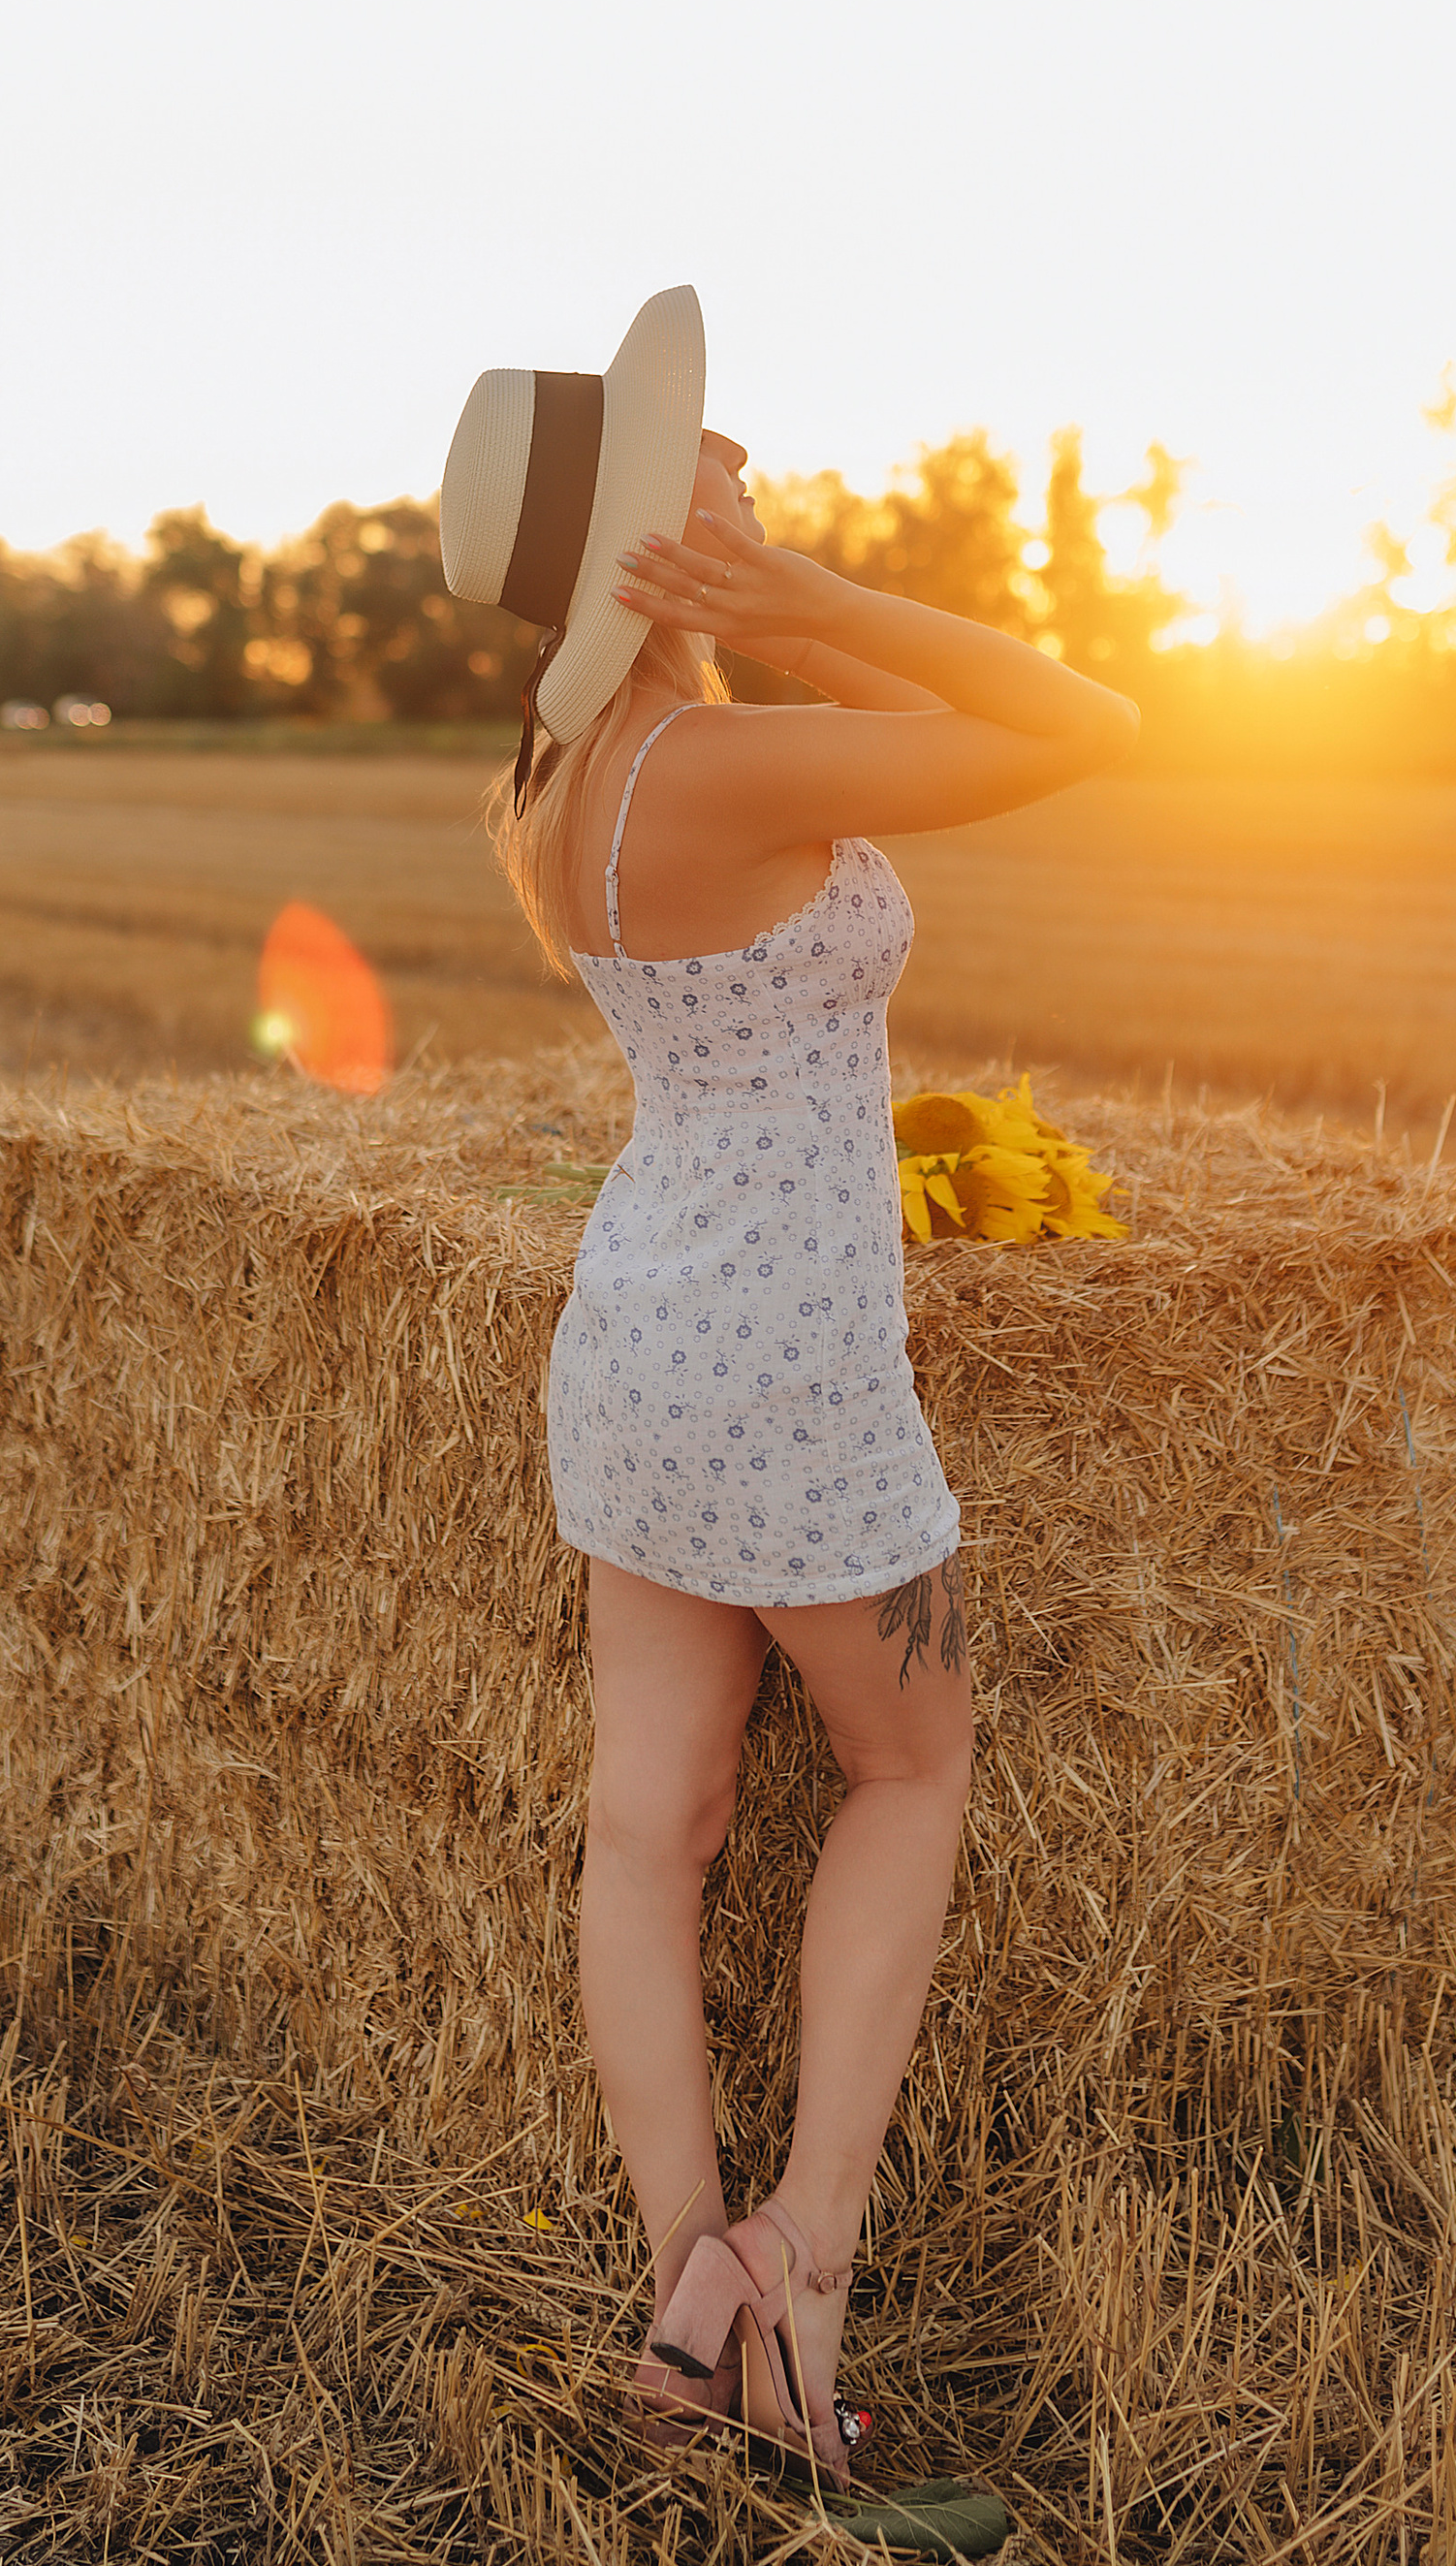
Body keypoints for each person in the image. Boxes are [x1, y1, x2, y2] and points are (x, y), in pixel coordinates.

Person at [440, 286, 1137, 2488]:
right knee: (905, 1767)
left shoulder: (565, 777)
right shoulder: (720, 758)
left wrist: (769, 611)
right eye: (705, 465)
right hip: (786, 1361)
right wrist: (817, 596)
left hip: (645, 1336)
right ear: (652, 538)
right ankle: (808, 2257)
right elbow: (1076, 717)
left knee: (645, 1829)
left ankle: (683, 2278)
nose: (741, 464)